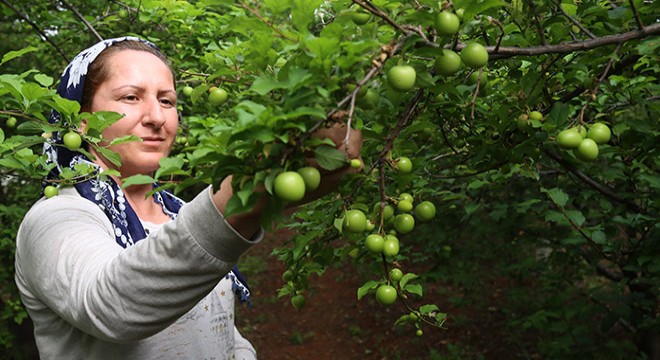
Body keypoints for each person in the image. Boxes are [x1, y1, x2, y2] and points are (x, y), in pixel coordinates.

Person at [14, 36, 362, 359]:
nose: (157, 117)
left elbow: (214, 328)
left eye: (167, 100)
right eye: (131, 97)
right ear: (81, 121)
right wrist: (246, 196)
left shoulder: (176, 213)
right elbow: (112, 305)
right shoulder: (57, 215)